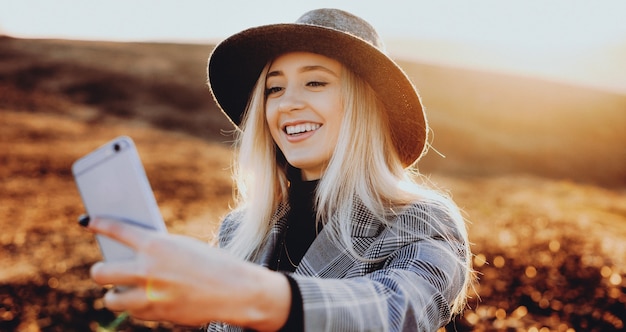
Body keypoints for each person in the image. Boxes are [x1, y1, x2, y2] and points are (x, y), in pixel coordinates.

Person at [83, 8, 473, 331]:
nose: (288, 104)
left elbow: (394, 311)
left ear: (365, 107)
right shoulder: (238, 232)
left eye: (315, 82)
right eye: (274, 89)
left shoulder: (419, 221)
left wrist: (248, 294)